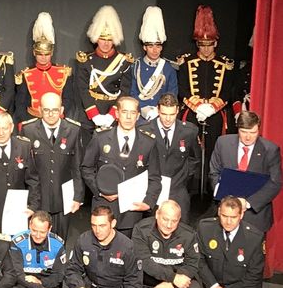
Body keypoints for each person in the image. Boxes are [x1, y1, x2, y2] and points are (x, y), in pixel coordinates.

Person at [81, 96, 161, 237]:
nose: (128, 117)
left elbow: (154, 177)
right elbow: (86, 168)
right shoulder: (100, 138)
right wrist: (100, 191)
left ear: (138, 116)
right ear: (117, 114)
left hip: (132, 212)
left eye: (132, 113)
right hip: (103, 210)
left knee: (128, 249)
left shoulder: (148, 142)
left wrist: (148, 202)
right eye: (124, 112)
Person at [177, 5, 239, 186]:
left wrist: (212, 107)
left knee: (215, 151)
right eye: (202, 45)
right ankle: (190, 187)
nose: (205, 49)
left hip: (215, 113)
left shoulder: (225, 64)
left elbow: (227, 91)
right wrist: (197, 107)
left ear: (215, 43)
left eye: (209, 44)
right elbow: (182, 89)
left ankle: (213, 188)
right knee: (189, 151)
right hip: (192, 112)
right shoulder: (186, 62)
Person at [197, 196, 267, 288]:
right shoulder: (205, 228)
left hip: (242, 284)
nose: (228, 222)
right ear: (218, 212)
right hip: (216, 284)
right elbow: (199, 261)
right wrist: (215, 287)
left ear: (241, 215)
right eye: (224, 216)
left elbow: (254, 273)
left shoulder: (254, 237)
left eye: (233, 217)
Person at [19, 91, 84, 239]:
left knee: (60, 241)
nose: (50, 114)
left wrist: (78, 196)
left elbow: (77, 166)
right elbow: (24, 169)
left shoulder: (73, 130)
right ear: (40, 110)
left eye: (55, 110)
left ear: (61, 110)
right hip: (37, 199)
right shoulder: (28, 130)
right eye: (46, 110)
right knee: (36, 240)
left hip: (64, 199)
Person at [208, 111, 281, 232]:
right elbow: (214, 172)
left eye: (253, 132)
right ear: (238, 129)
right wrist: (224, 198)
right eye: (244, 132)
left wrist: (247, 203)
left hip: (255, 217)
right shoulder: (223, 143)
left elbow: (275, 182)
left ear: (258, 130)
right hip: (225, 213)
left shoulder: (270, 150)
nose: (248, 137)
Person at [73, 5, 134, 135]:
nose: (106, 43)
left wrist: (112, 114)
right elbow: (82, 89)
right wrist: (94, 114)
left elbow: (125, 90)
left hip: (114, 112)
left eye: (109, 39)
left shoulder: (124, 61)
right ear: (96, 38)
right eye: (102, 39)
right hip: (90, 113)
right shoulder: (85, 60)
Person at [140, 93, 200, 218]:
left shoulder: (189, 131)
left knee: (181, 226)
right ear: (158, 110)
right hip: (151, 191)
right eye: (164, 114)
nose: (168, 119)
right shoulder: (143, 130)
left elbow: (194, 158)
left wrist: (183, 177)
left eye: (172, 114)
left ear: (177, 111)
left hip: (177, 189)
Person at [7, 212, 67, 288]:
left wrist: (41, 283)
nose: (38, 235)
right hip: (24, 283)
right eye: (34, 230)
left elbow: (59, 275)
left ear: (49, 229)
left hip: (48, 283)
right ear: (30, 225)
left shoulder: (58, 244)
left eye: (42, 232)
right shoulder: (17, 242)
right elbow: (17, 274)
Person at [14, 12, 73, 120]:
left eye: (46, 54)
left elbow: (68, 99)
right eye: (40, 54)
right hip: (32, 119)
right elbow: (20, 103)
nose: (43, 57)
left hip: (56, 119)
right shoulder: (25, 74)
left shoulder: (64, 72)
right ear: (34, 53)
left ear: (51, 53)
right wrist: (25, 122)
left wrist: (60, 116)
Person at [131, 7, 178, 121]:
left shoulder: (168, 68)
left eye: (158, 46)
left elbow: (172, 93)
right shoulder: (136, 66)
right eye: (151, 46)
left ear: (161, 47)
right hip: (140, 116)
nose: (155, 50)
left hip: (162, 116)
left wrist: (158, 110)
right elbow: (132, 92)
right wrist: (142, 108)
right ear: (145, 47)